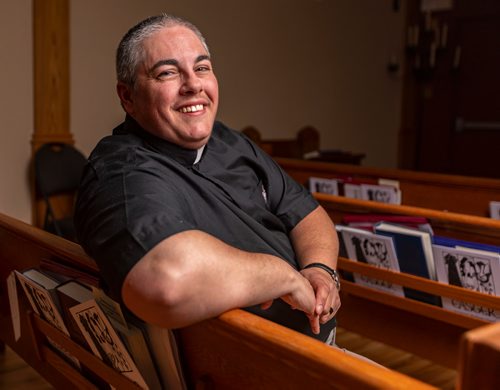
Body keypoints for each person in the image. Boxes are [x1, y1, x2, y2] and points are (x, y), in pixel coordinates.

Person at [74, 14, 341, 345]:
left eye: (201, 68)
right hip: (251, 367)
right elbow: (167, 281)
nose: (193, 84)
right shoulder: (121, 172)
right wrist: (280, 275)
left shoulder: (229, 140)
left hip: (317, 351)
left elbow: (306, 213)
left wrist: (319, 270)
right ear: (128, 97)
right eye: (168, 73)